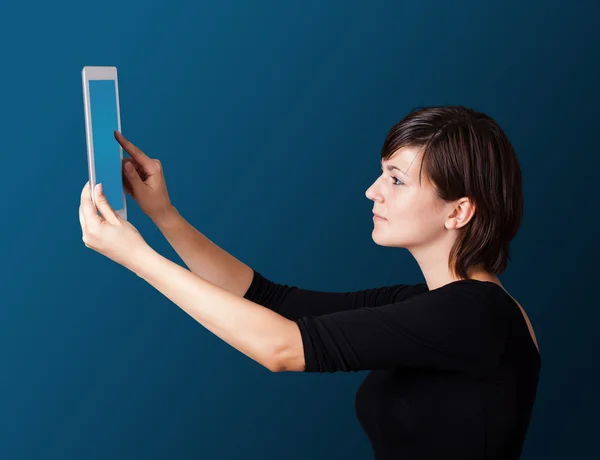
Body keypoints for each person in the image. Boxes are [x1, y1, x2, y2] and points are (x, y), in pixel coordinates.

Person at [78, 105, 541, 460]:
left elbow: (282, 348)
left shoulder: (476, 314)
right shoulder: (431, 304)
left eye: (396, 180)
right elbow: (271, 300)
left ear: (458, 210)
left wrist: (137, 257)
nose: (372, 190)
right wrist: (164, 215)